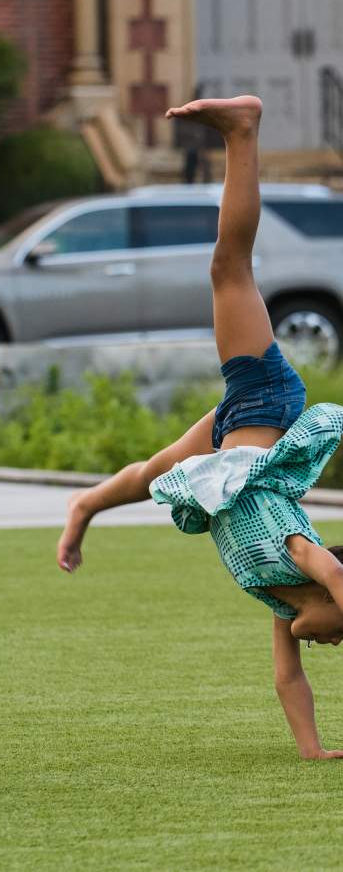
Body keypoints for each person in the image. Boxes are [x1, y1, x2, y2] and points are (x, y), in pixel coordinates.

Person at [57, 95, 343, 760]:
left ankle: (83, 506)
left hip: (229, 447)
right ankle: (242, 131)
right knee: (228, 268)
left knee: (148, 474)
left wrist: (313, 750)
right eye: (338, 635)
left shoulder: (281, 601)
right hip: (264, 404)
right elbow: (334, 574)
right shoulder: (302, 554)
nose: (328, 644)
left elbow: (286, 676)